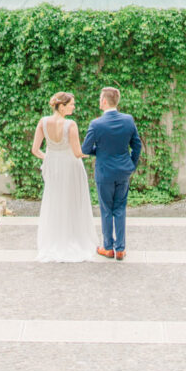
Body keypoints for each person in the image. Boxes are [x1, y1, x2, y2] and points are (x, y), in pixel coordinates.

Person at [30, 92, 97, 262]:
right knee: (72, 202)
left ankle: (54, 240)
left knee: (54, 201)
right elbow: (77, 152)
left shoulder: (43, 122)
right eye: (71, 104)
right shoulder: (71, 125)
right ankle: (72, 239)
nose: (74, 107)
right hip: (70, 166)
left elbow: (35, 150)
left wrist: (49, 158)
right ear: (62, 106)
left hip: (53, 167)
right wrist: (93, 152)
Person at [81, 87, 142, 261]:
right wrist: (131, 164)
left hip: (104, 172)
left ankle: (108, 247)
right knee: (120, 208)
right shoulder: (128, 120)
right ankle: (121, 249)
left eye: (100, 99)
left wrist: (100, 151)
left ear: (105, 101)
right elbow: (137, 145)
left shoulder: (96, 124)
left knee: (106, 209)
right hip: (124, 171)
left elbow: (85, 149)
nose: (99, 101)